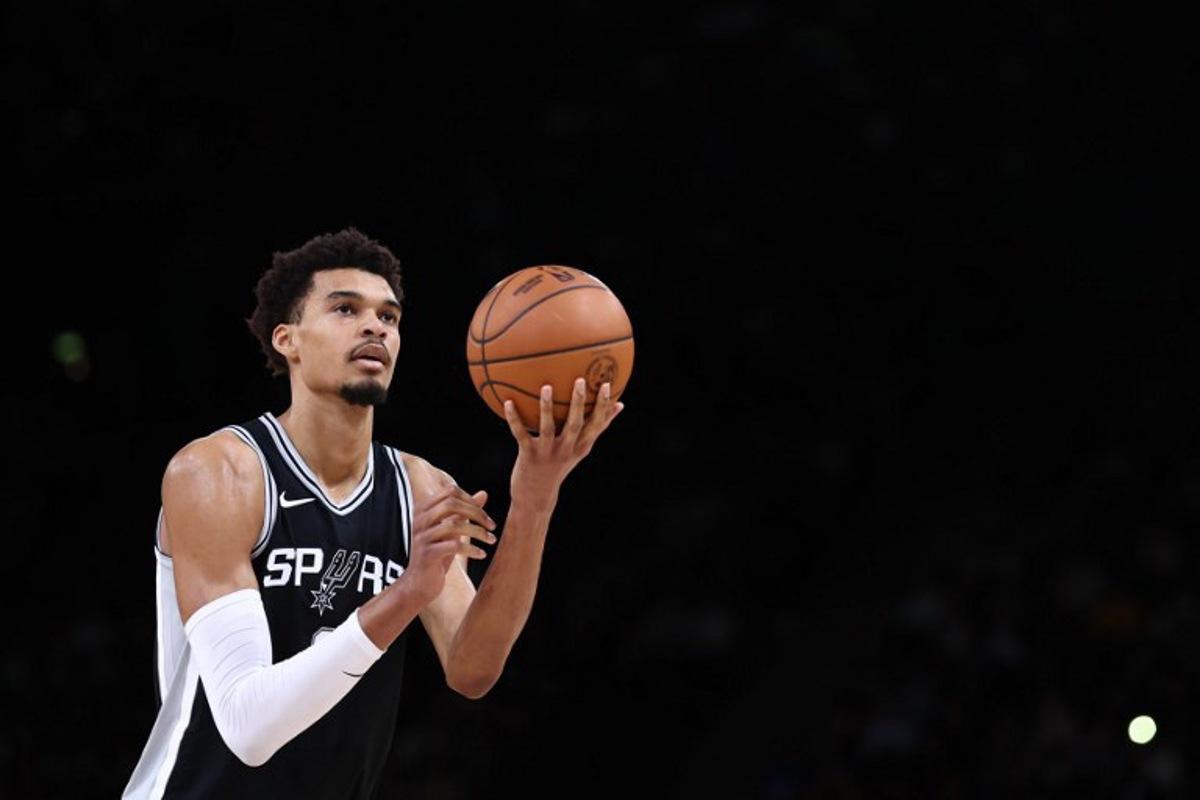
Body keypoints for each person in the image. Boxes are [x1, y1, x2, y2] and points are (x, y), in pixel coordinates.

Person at [122, 228, 625, 798]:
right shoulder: (217, 473)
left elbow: (472, 670)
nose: (375, 327)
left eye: (390, 317)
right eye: (345, 309)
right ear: (287, 339)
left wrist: (535, 497)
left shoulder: (421, 487)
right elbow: (248, 726)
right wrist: (407, 592)